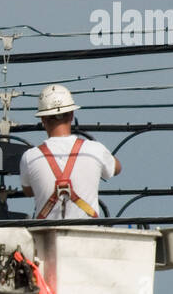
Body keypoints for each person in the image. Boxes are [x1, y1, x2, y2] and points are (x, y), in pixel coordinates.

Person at [20, 85, 121, 219]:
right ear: (72, 115)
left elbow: (28, 191)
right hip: (89, 235)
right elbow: (117, 168)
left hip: (46, 236)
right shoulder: (95, 149)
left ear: (43, 119)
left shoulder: (30, 157)